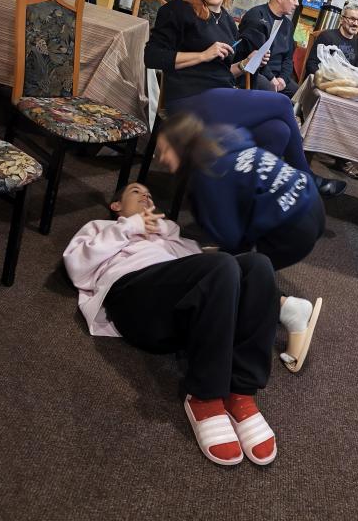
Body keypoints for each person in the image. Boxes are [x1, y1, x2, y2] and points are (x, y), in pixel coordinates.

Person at [63, 182, 280, 467]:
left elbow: (213, 273)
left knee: (259, 265)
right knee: (222, 265)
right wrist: (131, 226)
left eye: (149, 194)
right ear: (116, 206)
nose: (145, 195)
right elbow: (76, 267)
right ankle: (205, 395)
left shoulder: (168, 236)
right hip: (134, 300)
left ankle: (241, 391)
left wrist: (166, 232)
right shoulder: (100, 228)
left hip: (180, 313)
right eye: (135, 192)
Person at [156, 112, 324, 373]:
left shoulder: (207, 177)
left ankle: (288, 309)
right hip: (310, 201)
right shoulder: (224, 140)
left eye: (164, 150)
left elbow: (230, 236)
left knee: (235, 274)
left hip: (292, 229)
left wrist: (213, 259)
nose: (160, 158)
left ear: (181, 146)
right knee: (240, 265)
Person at [144, 0, 310, 174]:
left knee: (278, 131)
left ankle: (241, 190)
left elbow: (221, 72)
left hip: (217, 96)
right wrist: (202, 54)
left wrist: (244, 64)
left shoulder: (227, 21)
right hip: (187, 100)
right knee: (282, 103)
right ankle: (306, 179)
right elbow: (152, 57)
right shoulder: (178, 10)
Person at [305, 4, 358, 183]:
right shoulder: (327, 36)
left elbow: (356, 73)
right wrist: (328, 81)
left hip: (343, 91)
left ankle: (342, 159)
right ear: (342, 19)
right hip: (324, 86)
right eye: (352, 19)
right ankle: (307, 155)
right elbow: (312, 65)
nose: (355, 23)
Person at [238, 0, 300, 97]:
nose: (297, 3)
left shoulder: (288, 25)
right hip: (254, 73)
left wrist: (283, 78)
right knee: (269, 90)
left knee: (301, 96)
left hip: (278, 77)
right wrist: (272, 78)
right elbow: (254, 57)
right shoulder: (256, 16)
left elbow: (288, 58)